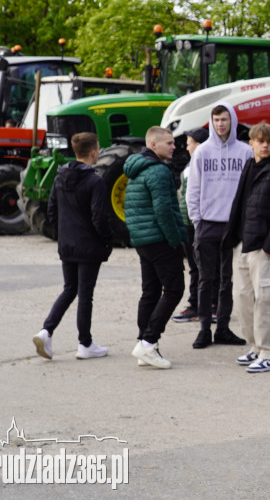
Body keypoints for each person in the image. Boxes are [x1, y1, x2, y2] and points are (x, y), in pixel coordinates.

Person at [222, 122, 270, 374]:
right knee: (242, 299)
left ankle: (269, 353)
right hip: (242, 244)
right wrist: (232, 239)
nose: (264, 145)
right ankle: (254, 346)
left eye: (269, 141)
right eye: (259, 141)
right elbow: (239, 206)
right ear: (251, 143)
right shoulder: (249, 166)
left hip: (262, 248)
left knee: (265, 300)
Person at [32, 132, 114, 360]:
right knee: (85, 294)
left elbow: (51, 211)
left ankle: (46, 331)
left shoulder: (60, 176)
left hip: (67, 245)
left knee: (70, 289)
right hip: (88, 247)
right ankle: (85, 344)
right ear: (94, 152)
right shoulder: (95, 181)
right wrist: (107, 239)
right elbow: (99, 217)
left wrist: (64, 234)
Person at [186, 102, 251, 349]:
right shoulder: (202, 152)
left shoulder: (244, 152)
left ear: (232, 120)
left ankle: (223, 328)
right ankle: (204, 329)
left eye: (224, 119)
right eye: (216, 120)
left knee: (228, 280)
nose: (220, 124)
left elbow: (247, 191)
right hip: (207, 224)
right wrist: (197, 221)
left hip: (232, 226)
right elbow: (193, 190)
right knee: (206, 279)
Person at [125, 126, 188, 369]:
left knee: (150, 292)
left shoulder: (136, 169)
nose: (174, 147)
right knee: (174, 290)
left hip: (142, 240)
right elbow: (164, 212)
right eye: (170, 143)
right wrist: (175, 240)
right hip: (159, 239)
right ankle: (149, 342)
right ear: (154, 145)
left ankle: (144, 345)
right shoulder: (159, 171)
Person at [173, 127, 210, 323]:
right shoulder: (190, 164)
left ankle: (206, 305)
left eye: (189, 144)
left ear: (199, 145)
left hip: (198, 222)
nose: (186, 148)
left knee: (202, 266)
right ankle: (196, 303)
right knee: (195, 266)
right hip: (188, 223)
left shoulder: (204, 165)